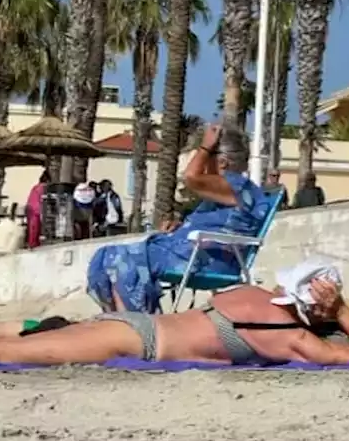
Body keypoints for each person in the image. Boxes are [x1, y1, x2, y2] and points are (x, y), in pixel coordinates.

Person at [0, 278, 349, 370]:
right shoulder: (288, 331)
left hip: (132, 326)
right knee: (1, 352)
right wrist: (344, 313)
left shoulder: (264, 301)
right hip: (136, 338)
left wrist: (339, 308)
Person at [86, 124, 272, 314]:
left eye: (205, 158)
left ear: (222, 162)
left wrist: (206, 146)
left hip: (205, 260)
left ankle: (139, 325)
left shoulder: (236, 184)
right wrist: (183, 227)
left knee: (117, 258)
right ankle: (125, 320)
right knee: (104, 256)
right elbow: (221, 222)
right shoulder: (229, 188)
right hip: (192, 252)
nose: (199, 161)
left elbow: (190, 177)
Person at [25, 171, 48, 249]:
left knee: (32, 229)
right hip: (35, 210)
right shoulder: (43, 187)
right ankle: (33, 245)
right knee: (35, 228)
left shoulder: (36, 187)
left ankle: (32, 244)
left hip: (30, 208)